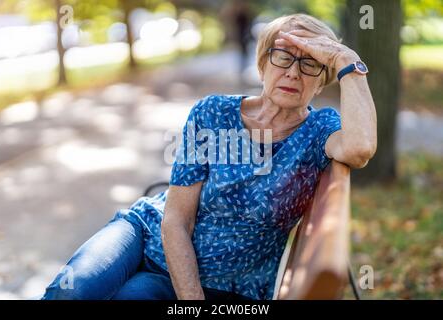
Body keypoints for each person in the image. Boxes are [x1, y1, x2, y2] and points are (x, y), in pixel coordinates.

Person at [42, 13, 377, 300]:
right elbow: (176, 218)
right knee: (71, 289)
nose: (293, 72)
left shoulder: (320, 130)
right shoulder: (212, 112)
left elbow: (361, 149)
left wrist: (347, 60)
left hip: (222, 284)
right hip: (148, 232)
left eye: (310, 64)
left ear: (321, 82)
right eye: (283, 57)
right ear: (262, 66)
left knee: (132, 295)